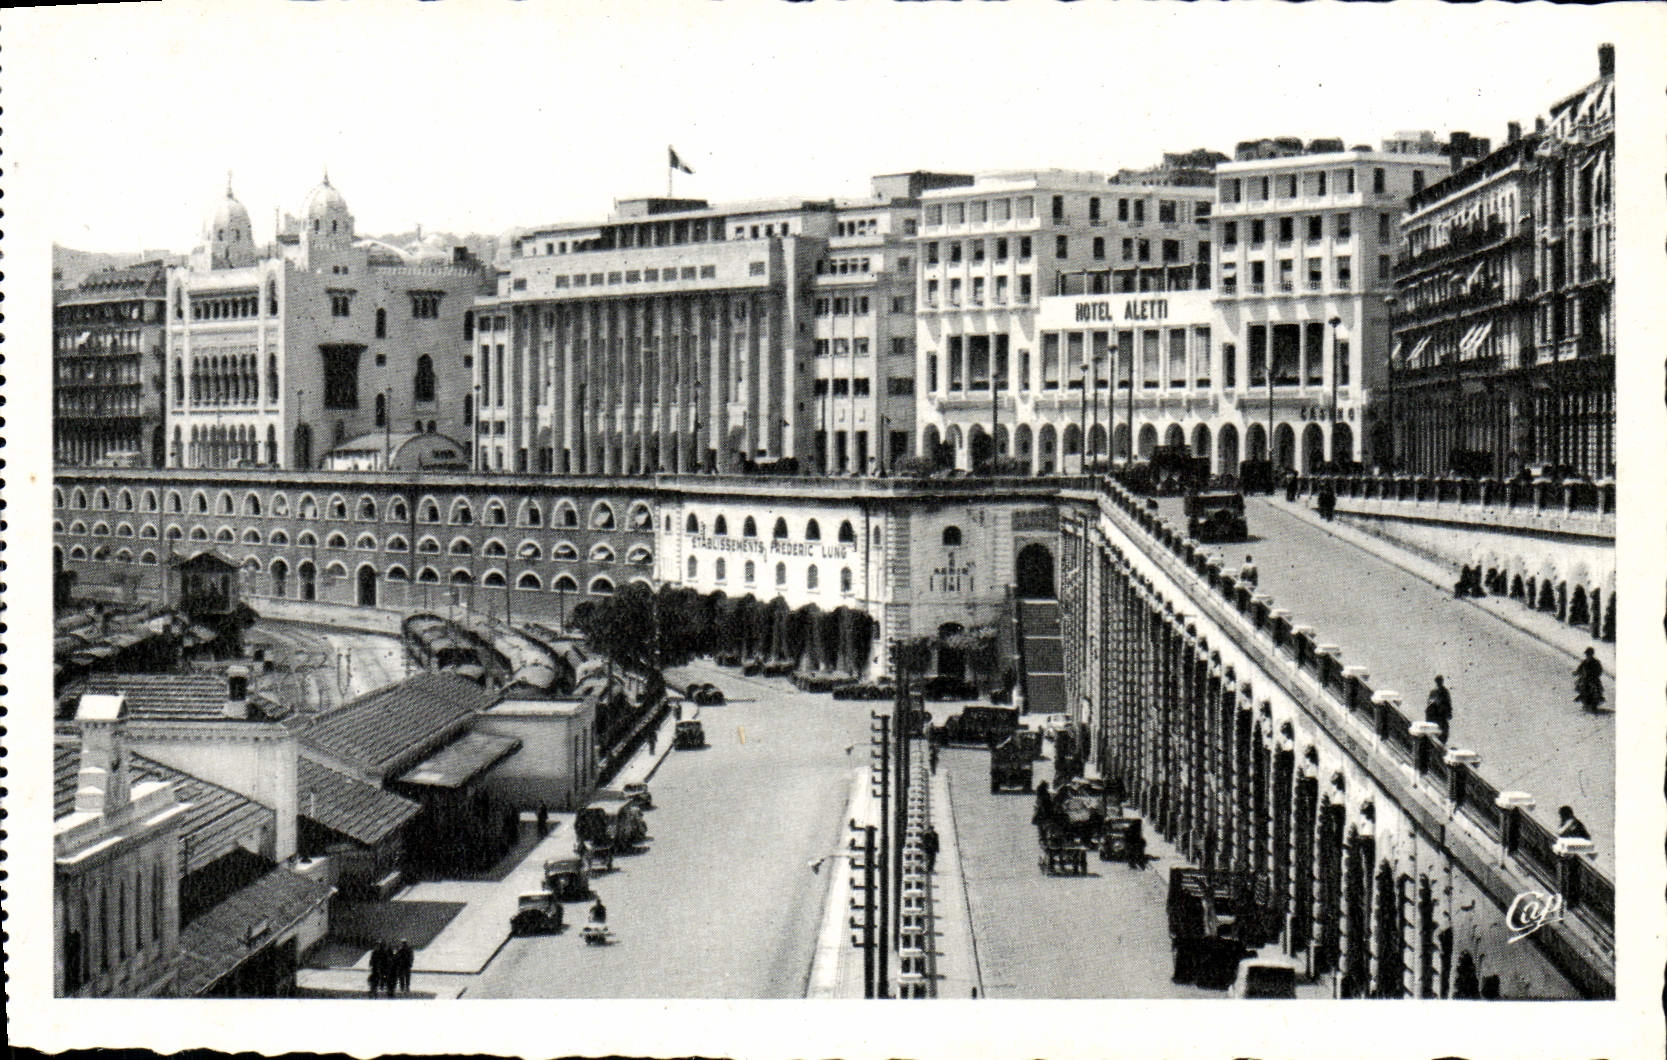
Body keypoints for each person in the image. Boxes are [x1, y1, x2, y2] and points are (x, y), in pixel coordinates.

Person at [1573, 647, 1605, 713]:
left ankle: (1598, 698)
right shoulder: (1584, 662)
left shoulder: (1596, 662)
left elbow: (1599, 670)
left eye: (1589, 654)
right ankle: (1582, 696)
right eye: (1587, 654)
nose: (1588, 656)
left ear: (1592, 654)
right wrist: (1576, 672)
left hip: (1593, 678)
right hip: (1585, 678)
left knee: (1597, 686)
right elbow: (1580, 668)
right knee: (1580, 684)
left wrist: (1595, 675)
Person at [1425, 676, 1453, 744]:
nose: (1439, 683)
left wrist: (1449, 712)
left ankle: (1442, 741)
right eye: (1438, 681)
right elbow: (1429, 703)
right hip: (1435, 714)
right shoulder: (1434, 692)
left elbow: (1448, 703)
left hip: (1442, 713)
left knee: (1443, 729)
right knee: (1438, 728)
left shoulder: (1444, 692)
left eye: (1440, 681)